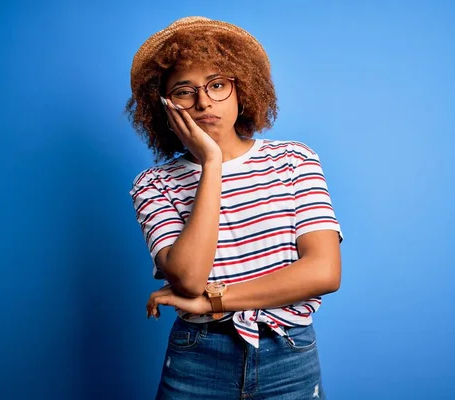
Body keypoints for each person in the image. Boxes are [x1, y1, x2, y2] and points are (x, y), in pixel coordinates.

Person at [126, 16, 343, 400]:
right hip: (197, 356)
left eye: (218, 85)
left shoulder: (294, 160)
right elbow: (189, 279)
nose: (204, 102)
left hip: (288, 352)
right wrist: (211, 162)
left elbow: (323, 271)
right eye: (184, 91)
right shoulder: (153, 184)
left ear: (243, 89)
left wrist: (213, 299)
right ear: (163, 105)